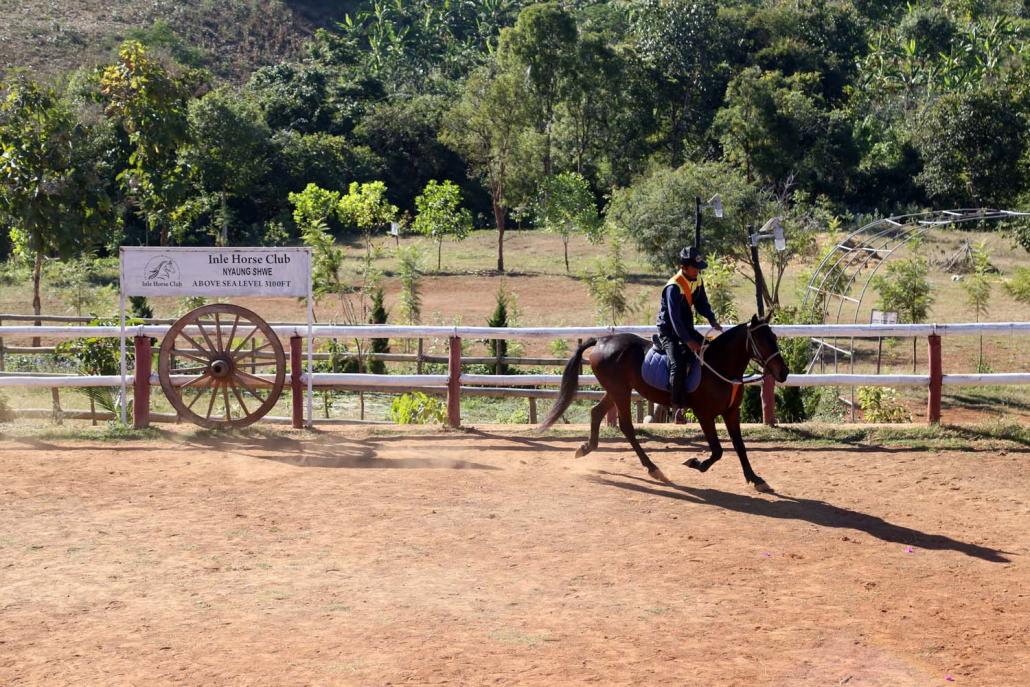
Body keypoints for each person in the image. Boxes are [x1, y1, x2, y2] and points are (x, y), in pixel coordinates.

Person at [655, 246, 722, 407]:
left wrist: (712, 319)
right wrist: (688, 340)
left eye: (699, 268)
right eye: (695, 268)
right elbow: (675, 319)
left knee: (710, 351)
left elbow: (701, 303)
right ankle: (675, 405)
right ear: (683, 267)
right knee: (677, 364)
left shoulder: (697, 280)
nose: (698, 271)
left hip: (686, 329)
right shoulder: (673, 287)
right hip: (669, 332)